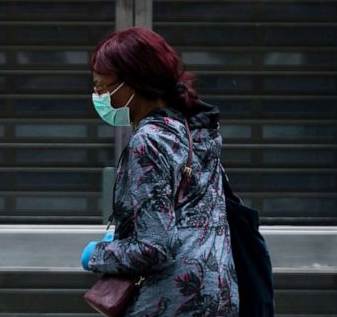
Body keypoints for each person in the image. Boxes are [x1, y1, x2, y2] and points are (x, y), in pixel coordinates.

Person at [80, 27, 238, 316]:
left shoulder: (149, 141)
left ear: (132, 85)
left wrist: (97, 254)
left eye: (102, 87)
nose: (98, 96)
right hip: (219, 295)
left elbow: (155, 247)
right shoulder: (197, 130)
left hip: (170, 301)